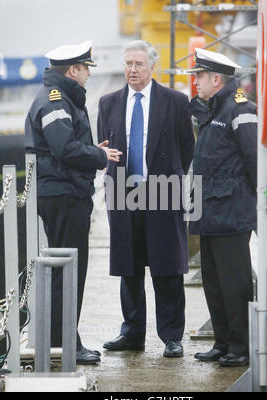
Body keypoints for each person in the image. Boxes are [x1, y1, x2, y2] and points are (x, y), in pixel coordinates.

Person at [25, 40, 122, 365]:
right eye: (85, 69)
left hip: (65, 193)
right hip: (63, 196)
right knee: (68, 272)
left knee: (67, 271)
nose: (88, 76)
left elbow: (67, 144)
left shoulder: (63, 98)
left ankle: (65, 340)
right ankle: (64, 343)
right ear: (73, 70)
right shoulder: (55, 101)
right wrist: (98, 154)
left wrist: (94, 149)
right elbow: (63, 148)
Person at [97, 40, 195, 357]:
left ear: (152, 66)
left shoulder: (176, 101)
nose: (132, 70)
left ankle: (172, 336)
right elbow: (105, 147)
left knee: (167, 267)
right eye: (128, 64)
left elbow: (187, 147)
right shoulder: (109, 102)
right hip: (123, 192)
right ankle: (132, 332)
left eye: (138, 64)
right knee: (129, 265)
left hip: (163, 190)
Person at [187, 48, 257, 367]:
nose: (195, 83)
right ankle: (223, 342)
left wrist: (254, 205)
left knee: (234, 283)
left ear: (216, 79)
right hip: (210, 212)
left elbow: (254, 161)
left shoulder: (239, 110)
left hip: (231, 213)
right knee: (214, 282)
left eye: (199, 77)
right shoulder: (214, 110)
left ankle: (240, 348)